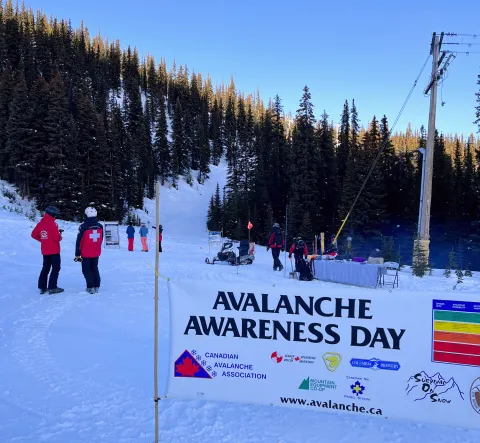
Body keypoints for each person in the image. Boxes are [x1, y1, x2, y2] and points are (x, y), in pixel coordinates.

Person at [31, 205, 64, 294]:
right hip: (54, 250)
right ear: (52, 214)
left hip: (45, 250)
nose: (55, 216)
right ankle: (52, 287)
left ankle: (42, 287)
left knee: (45, 268)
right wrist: (60, 236)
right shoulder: (53, 224)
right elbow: (56, 238)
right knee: (56, 268)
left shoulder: (41, 223)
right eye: (55, 214)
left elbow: (34, 234)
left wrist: (43, 240)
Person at [75, 207, 103, 294]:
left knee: (86, 269)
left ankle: (90, 287)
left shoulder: (83, 226)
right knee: (94, 268)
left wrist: (77, 253)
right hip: (96, 251)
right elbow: (101, 239)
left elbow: (79, 241)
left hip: (85, 252)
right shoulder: (100, 226)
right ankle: (96, 285)